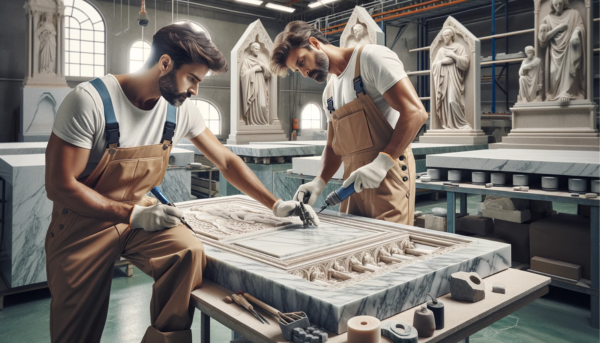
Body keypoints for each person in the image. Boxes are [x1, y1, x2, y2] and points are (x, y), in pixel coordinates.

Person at [44, 23, 318, 343]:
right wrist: (133, 215)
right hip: (83, 223)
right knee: (75, 329)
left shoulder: (179, 109)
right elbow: (60, 186)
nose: (195, 91)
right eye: (192, 79)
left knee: (186, 252)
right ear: (164, 63)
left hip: (137, 216)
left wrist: (275, 204)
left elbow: (226, 161)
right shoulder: (90, 101)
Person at [270, 21, 428, 224]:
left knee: (390, 247)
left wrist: (382, 163)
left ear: (314, 43)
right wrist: (319, 181)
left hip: (388, 176)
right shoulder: (329, 92)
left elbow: (416, 113)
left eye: (301, 62)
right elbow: (333, 147)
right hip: (353, 184)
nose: (304, 73)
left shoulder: (371, 58)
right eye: (297, 70)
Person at [539, 0, 586, 102]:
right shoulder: (548, 19)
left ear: (564, 3)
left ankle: (567, 92)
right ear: (552, 4)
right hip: (554, 51)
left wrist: (575, 33)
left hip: (569, 48)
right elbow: (542, 40)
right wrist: (558, 28)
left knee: (570, 69)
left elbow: (580, 26)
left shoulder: (574, 14)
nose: (558, 6)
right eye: (556, 4)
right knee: (553, 71)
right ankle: (555, 94)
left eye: (560, 3)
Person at [431, 27, 472, 130]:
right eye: (444, 36)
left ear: (452, 36)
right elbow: (434, 65)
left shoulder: (459, 47)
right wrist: (443, 62)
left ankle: (462, 124)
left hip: (455, 78)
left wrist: (454, 56)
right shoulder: (441, 50)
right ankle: (448, 124)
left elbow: (466, 62)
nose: (445, 37)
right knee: (445, 102)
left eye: (447, 35)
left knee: (452, 101)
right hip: (443, 80)